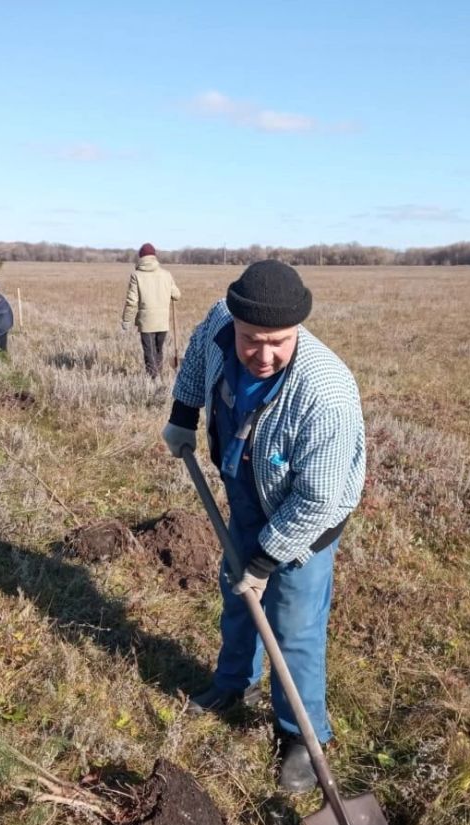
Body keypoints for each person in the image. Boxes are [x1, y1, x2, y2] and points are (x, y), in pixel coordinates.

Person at [162, 260, 365, 793]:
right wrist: (183, 416)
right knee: (237, 596)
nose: (264, 355)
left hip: (305, 518)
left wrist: (265, 560)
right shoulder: (217, 324)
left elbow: (318, 499)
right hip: (248, 485)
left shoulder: (326, 392)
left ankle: (302, 734)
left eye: (278, 342)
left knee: (292, 623)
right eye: (253, 340)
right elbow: (195, 364)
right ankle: (234, 684)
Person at [121, 243, 181, 378]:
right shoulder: (166, 274)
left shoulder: (136, 276)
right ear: (154, 257)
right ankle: (157, 376)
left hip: (146, 322)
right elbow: (177, 295)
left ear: (141, 257)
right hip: (162, 322)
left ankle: (153, 379)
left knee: (150, 352)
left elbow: (131, 301)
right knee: (159, 350)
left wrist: (126, 321)